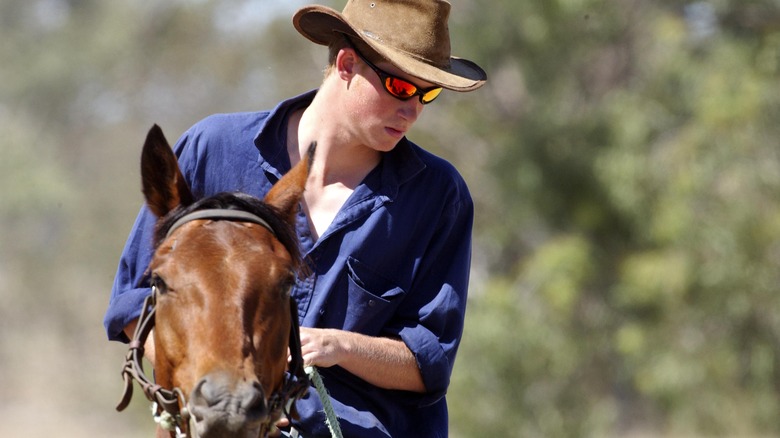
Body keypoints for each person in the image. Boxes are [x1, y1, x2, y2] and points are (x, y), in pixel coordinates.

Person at [104, 0, 487, 436]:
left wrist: (337, 345)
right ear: (346, 64)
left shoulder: (438, 195)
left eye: (427, 93)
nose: (414, 109)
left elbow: (430, 362)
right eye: (401, 87)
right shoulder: (213, 149)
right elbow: (134, 305)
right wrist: (216, 403)